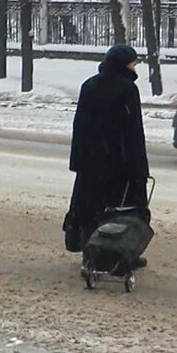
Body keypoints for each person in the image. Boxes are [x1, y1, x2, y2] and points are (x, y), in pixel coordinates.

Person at [65, 44, 150, 263]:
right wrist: (139, 169)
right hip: (117, 162)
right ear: (124, 64)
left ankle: (89, 252)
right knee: (121, 210)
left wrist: (78, 160)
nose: (135, 67)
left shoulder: (89, 85)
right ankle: (119, 253)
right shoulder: (127, 89)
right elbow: (132, 132)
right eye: (133, 63)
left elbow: (80, 126)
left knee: (89, 207)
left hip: (90, 159)